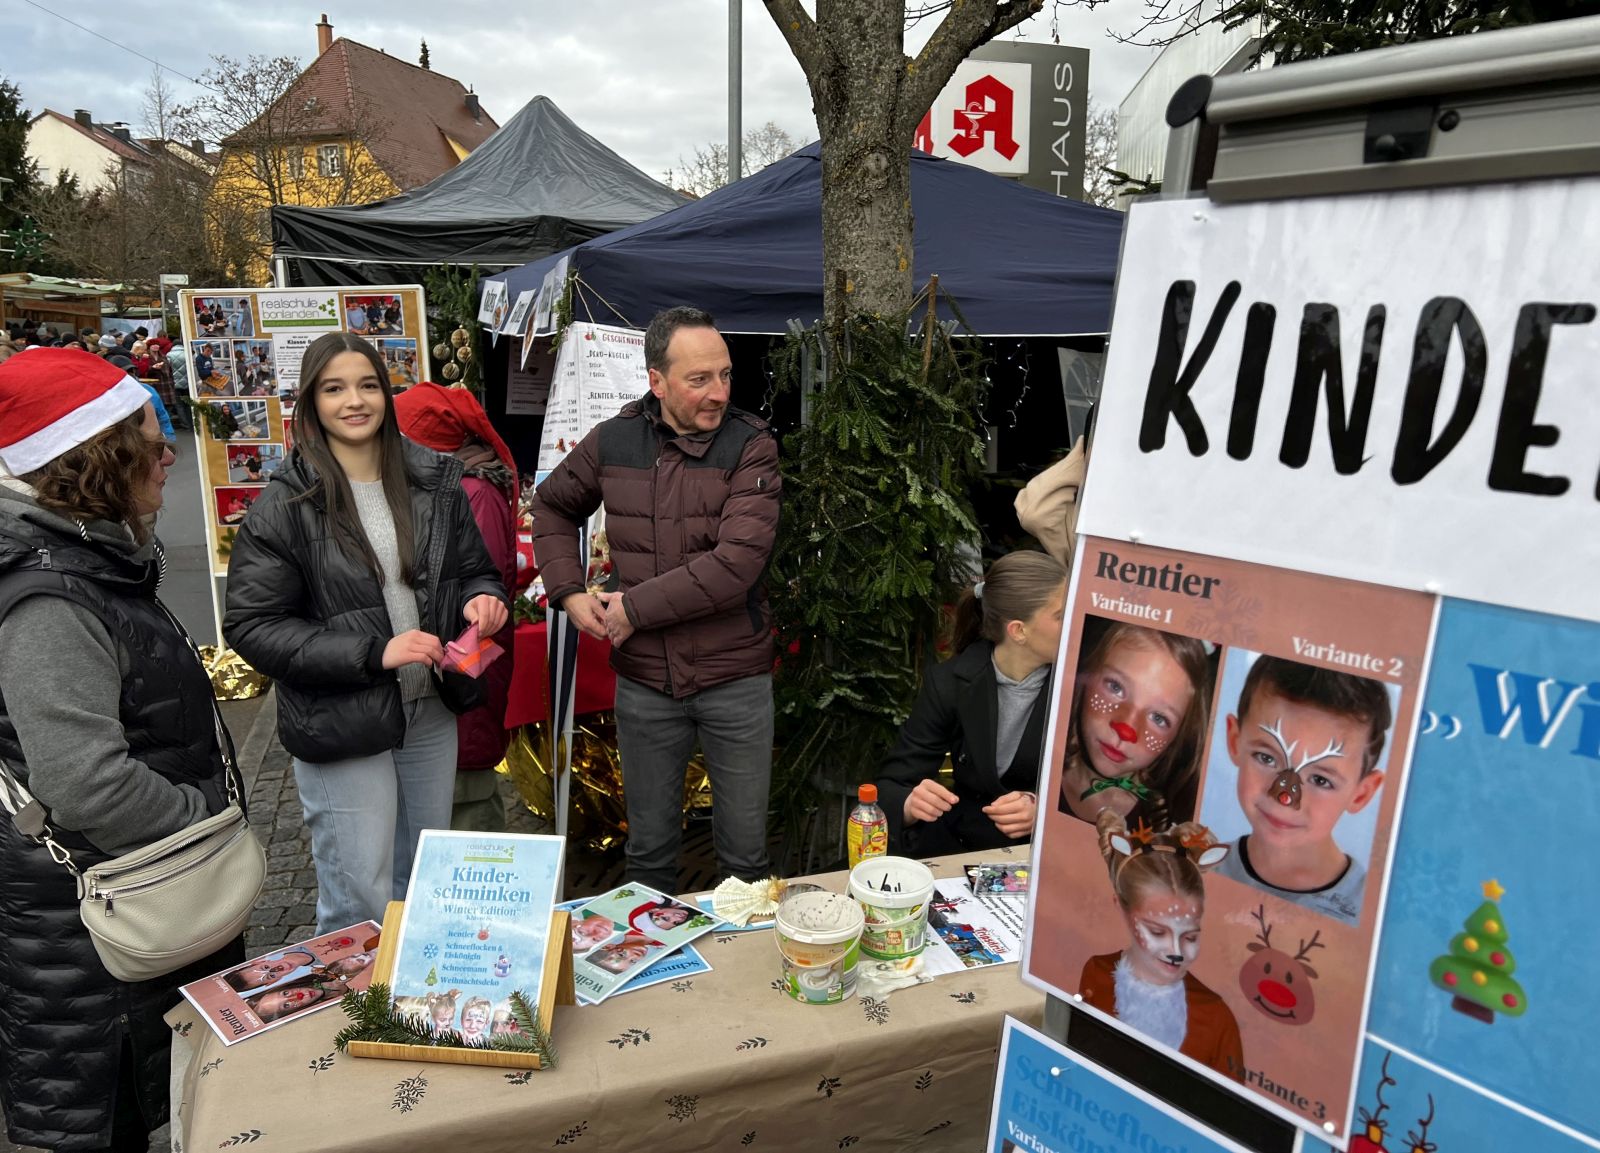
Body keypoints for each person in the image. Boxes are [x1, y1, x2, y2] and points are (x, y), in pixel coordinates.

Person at [0, 349, 245, 1152]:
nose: (168, 452)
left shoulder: (92, 564)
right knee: (108, 1122)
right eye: (150, 435)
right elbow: (83, 781)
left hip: (129, 919)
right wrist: (203, 819)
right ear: (93, 457)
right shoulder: (48, 601)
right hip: (94, 946)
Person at [223, 332, 509, 933]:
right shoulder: (285, 503)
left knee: (424, 877)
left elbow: (474, 568)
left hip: (430, 705)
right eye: (334, 389)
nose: (354, 401)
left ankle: (414, 1015)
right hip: (341, 718)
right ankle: (351, 1021)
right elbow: (252, 626)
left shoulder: (435, 479)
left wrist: (485, 597)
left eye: (367, 384)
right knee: (359, 897)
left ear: (387, 392)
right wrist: (375, 653)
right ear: (310, 403)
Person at [530, 306, 781, 894]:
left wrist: (631, 609)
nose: (717, 392)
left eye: (724, 375)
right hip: (645, 682)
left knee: (745, 857)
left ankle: (740, 982)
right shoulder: (615, 439)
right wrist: (567, 590)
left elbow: (734, 565)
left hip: (734, 678)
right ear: (657, 381)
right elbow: (553, 504)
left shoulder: (752, 446)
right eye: (699, 379)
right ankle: (656, 976)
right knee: (647, 854)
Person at [876, 551, 1069, 855]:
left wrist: (1041, 809)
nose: (1075, 622)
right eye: (1061, 615)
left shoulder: (1083, 685)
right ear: (1018, 631)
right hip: (963, 849)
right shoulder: (951, 682)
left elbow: (1104, 789)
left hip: (1049, 856)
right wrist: (912, 803)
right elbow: (893, 783)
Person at [393, 381, 518, 832]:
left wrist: (452, 688)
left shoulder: (471, 493)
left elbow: (483, 607)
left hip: (463, 680)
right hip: (452, 675)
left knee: (466, 806)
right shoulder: (447, 485)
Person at [1212, 657, 1391, 926]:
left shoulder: (1371, 915)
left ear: (1361, 794)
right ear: (1235, 741)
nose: (1284, 799)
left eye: (1320, 780)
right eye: (1266, 758)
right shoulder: (1199, 867)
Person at [1079, 811, 1241, 1079]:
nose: (1176, 952)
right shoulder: (1096, 974)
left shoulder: (1215, 1017)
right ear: (1122, 908)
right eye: (1157, 932)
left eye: (1190, 936)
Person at [1057, 622, 1214, 830]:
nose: (1126, 729)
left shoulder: (1160, 828)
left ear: (1177, 738)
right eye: (1115, 687)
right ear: (1087, 677)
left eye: (1159, 718)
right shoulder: (1038, 762)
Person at [222, 949, 316, 993]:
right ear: (273, 982)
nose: (279, 968)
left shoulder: (294, 948)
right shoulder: (315, 972)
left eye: (265, 967)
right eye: (271, 976)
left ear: (260, 961)